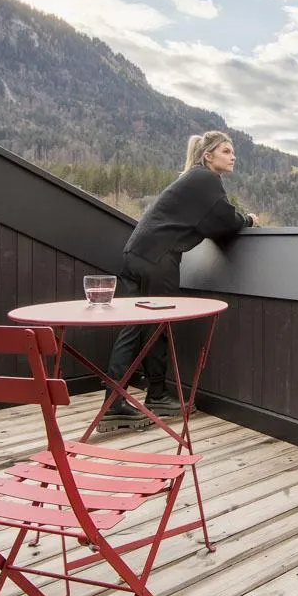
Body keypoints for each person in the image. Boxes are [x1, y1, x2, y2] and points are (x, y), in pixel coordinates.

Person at [102, 131, 257, 425]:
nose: (233, 156)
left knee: (134, 327)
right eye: (226, 151)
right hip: (158, 259)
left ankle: (114, 401)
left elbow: (210, 220)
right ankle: (156, 396)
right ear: (207, 156)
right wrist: (248, 219)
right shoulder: (206, 179)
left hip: (137, 253)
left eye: (233, 151)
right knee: (158, 327)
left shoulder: (193, 179)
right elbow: (225, 220)